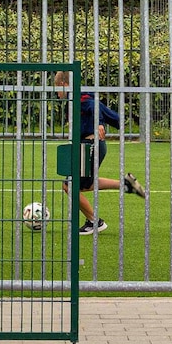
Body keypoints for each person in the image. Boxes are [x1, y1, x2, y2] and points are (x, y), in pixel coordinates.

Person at [53, 69, 144, 235]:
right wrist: (114, 121)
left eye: (57, 88)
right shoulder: (81, 96)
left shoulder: (80, 98)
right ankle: (125, 185)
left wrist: (99, 123)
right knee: (85, 185)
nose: (57, 93)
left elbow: (95, 108)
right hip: (89, 146)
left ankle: (94, 222)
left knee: (69, 186)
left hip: (90, 146)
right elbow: (107, 112)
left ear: (64, 85)